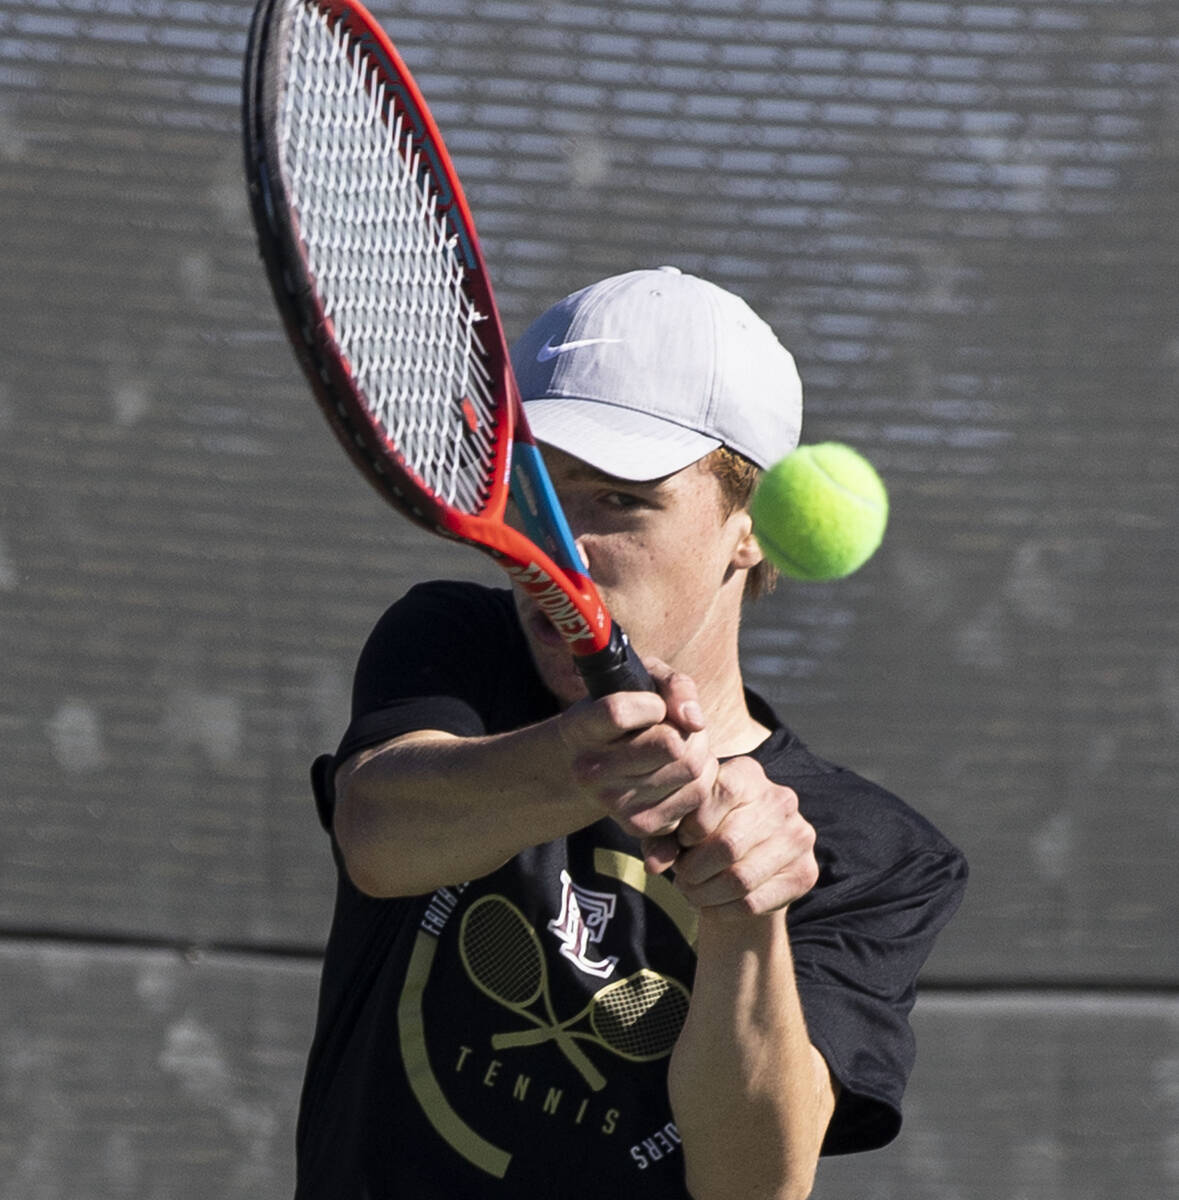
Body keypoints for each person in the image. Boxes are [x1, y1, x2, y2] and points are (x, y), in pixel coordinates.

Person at [294, 267, 967, 1200]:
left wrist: (745, 922)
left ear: (752, 527)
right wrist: (586, 763)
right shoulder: (452, 644)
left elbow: (751, 1184)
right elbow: (377, 835)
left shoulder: (874, 855)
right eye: (538, 492)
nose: (558, 547)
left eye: (618, 499)